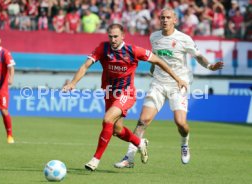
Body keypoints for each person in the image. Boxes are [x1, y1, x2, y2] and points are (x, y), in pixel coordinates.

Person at [62, 23, 187, 171]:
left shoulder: (133, 50)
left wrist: (177, 78)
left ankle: (95, 159)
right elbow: (85, 66)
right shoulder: (103, 48)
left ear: (123, 36)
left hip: (126, 93)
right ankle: (140, 143)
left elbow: (159, 61)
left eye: (116, 36)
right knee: (117, 129)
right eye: (110, 36)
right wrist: (73, 83)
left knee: (107, 119)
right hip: (109, 93)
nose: (113, 39)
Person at [114, 8, 224, 168]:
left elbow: (198, 56)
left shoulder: (184, 39)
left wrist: (210, 66)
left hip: (178, 84)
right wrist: (153, 68)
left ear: (175, 20)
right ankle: (129, 158)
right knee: (143, 120)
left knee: (180, 123)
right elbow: (156, 56)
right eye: (162, 17)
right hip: (158, 83)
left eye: (168, 17)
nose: (164, 20)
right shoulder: (154, 37)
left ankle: (185, 143)